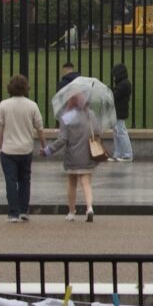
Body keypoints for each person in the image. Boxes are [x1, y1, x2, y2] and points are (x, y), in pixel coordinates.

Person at [0, 74, 43, 222]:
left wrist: (0, 146)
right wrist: (44, 145)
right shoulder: (32, 105)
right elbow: (40, 128)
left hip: (8, 149)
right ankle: (23, 210)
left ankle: (13, 213)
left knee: (10, 181)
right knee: (25, 180)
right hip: (26, 148)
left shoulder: (4, 105)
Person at [54, 92, 96, 222]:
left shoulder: (68, 116)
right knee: (86, 183)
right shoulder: (91, 114)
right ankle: (89, 207)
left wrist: (49, 150)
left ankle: (72, 212)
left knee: (72, 184)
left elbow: (62, 139)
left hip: (72, 154)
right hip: (88, 153)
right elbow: (98, 130)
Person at [108, 62, 135, 163]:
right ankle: (118, 153)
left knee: (121, 132)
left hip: (119, 111)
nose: (114, 77)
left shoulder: (123, 84)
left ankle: (127, 154)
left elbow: (115, 96)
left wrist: (110, 90)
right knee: (117, 132)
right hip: (118, 111)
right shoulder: (123, 83)